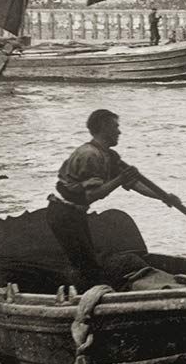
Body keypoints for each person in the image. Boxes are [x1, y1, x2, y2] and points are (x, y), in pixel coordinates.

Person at [48, 109, 176, 288]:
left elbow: (135, 184)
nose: (119, 132)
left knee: (88, 260)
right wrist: (120, 179)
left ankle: (91, 288)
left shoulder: (109, 156)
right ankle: (85, 296)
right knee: (85, 263)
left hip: (75, 213)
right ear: (104, 128)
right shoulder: (89, 155)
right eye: (115, 127)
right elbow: (93, 194)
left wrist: (164, 197)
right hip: (62, 213)